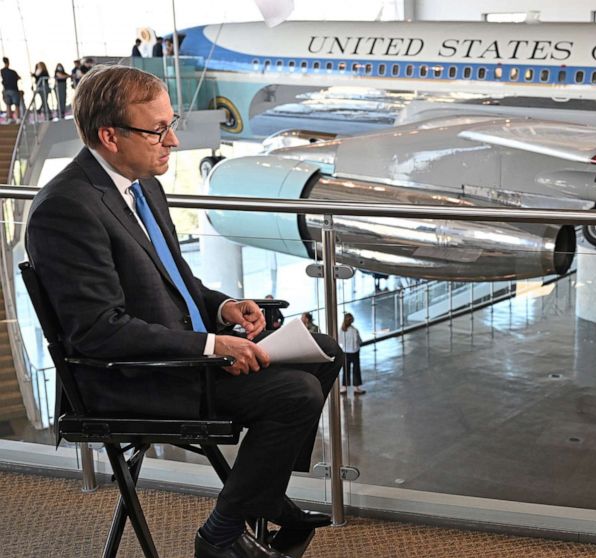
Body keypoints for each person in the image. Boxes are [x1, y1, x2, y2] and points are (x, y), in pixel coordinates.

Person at [25, 65, 345, 558]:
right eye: (158, 129)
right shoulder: (66, 208)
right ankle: (220, 535)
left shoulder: (141, 184)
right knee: (294, 392)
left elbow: (177, 282)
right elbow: (97, 333)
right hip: (129, 377)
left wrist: (223, 311)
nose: (172, 140)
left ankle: (260, 493)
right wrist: (211, 347)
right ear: (109, 136)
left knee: (325, 351)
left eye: (170, 124)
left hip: (181, 352)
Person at [338, 312, 365, 395]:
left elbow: (340, 341)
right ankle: (356, 388)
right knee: (356, 370)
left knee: (346, 369)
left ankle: (344, 387)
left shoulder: (342, 330)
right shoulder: (354, 330)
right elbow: (359, 341)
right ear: (352, 321)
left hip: (345, 352)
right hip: (355, 352)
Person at [1, 57, 20, 122]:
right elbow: (18, 78)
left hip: (6, 90)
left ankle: (10, 118)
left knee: (8, 104)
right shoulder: (13, 72)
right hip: (14, 89)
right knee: (16, 104)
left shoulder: (2, 71)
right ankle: (17, 118)